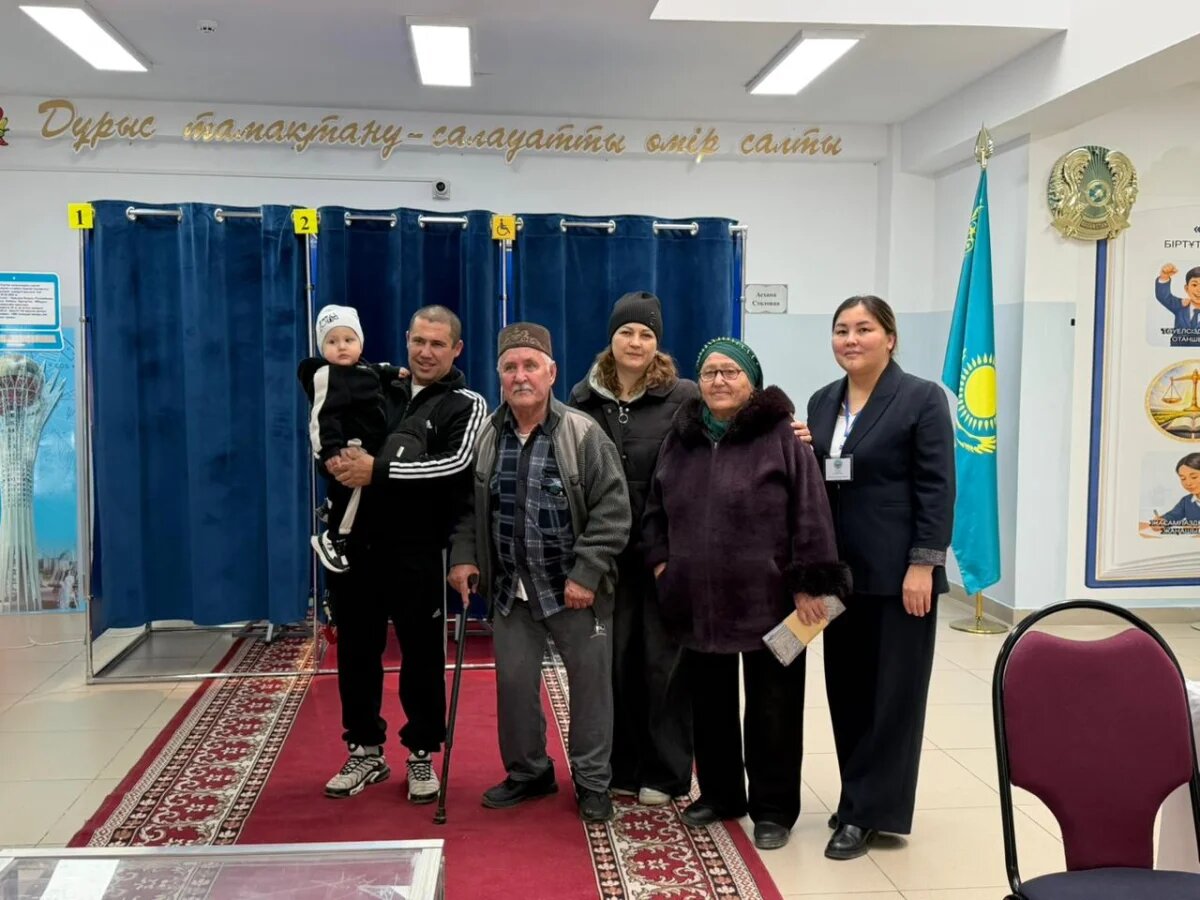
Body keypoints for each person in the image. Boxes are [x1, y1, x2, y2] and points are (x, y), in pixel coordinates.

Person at [642, 337, 851, 851]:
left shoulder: (783, 436)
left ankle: (773, 809)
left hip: (771, 602)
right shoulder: (681, 437)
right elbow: (656, 508)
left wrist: (810, 585)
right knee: (709, 705)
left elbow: (811, 512)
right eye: (709, 372)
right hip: (697, 600)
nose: (719, 381)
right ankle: (721, 795)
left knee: (774, 708)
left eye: (730, 372)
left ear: (751, 382)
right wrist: (663, 564)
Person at [448, 322, 631, 824]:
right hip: (511, 590)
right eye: (510, 367)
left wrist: (587, 573)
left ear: (551, 373)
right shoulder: (486, 436)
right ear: (500, 376)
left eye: (531, 366)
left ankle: (592, 781)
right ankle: (529, 772)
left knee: (590, 691)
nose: (520, 376)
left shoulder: (582, 433)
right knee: (513, 686)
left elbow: (613, 511)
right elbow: (467, 508)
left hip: (575, 591)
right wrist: (464, 557)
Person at [805, 295, 955, 860]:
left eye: (864, 329)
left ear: (889, 338)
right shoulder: (823, 401)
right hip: (841, 577)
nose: (851, 339)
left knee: (893, 696)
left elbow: (937, 487)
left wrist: (923, 563)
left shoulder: (920, 398)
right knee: (846, 692)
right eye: (841, 329)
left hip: (899, 577)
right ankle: (855, 797)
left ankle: (871, 812)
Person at [321, 305, 487, 804]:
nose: (426, 352)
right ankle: (364, 750)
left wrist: (379, 472)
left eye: (438, 343)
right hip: (357, 547)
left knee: (422, 657)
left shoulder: (467, 403)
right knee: (356, 653)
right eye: (419, 341)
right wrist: (337, 458)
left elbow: (455, 466)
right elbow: (326, 413)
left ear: (457, 348)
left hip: (418, 551)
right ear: (406, 339)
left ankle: (421, 754)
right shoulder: (376, 384)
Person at [567, 291, 698, 806]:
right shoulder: (582, 399)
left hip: (663, 554)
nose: (636, 342)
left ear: (657, 343)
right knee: (613, 663)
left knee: (663, 665)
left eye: (646, 334)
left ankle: (665, 773)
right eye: (627, 332)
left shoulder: (684, 396)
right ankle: (619, 764)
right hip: (607, 558)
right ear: (612, 338)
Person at [299, 304, 394, 573]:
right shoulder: (328, 375)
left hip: (365, 446)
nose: (341, 346)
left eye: (349, 340)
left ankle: (331, 507)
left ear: (360, 344)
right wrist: (328, 451)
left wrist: (393, 372)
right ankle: (332, 539)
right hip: (345, 452)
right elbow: (321, 417)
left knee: (349, 493)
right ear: (322, 347)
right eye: (332, 341)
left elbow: (376, 370)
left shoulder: (360, 369)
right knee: (354, 492)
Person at [1150, 453, 1200, 533]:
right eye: (1183, 478)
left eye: (1194, 477)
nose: (1188, 483)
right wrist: (1162, 521)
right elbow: (1173, 515)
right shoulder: (1186, 501)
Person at [1155, 264, 1200, 347]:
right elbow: (1163, 296)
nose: (1199, 290)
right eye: (1194, 285)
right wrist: (1164, 277)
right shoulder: (1181, 306)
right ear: (1187, 288)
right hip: (1177, 352)